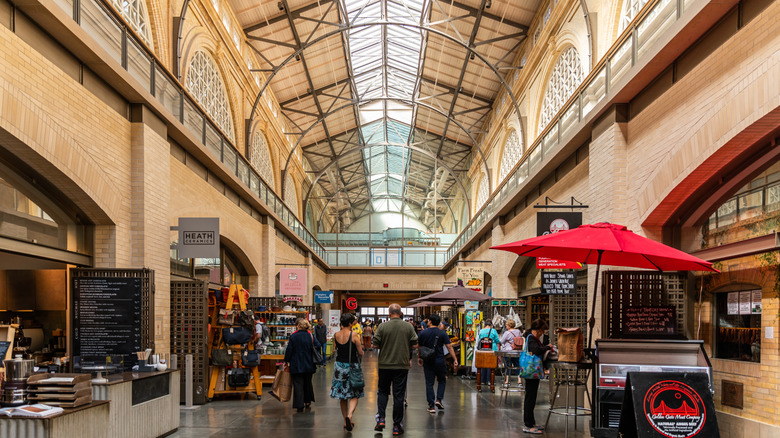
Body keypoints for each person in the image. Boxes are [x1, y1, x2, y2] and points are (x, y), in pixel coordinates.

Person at [372, 304, 418, 435]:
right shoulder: (408, 326)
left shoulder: (382, 326)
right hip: (401, 365)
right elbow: (415, 345)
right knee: (399, 395)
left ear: (389, 313)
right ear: (401, 312)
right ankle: (397, 426)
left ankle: (381, 418)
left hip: (385, 365)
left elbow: (375, 344)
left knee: (382, 392)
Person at [330, 313, 364, 431]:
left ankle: (345, 421)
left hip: (339, 367)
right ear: (349, 323)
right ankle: (349, 416)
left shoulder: (336, 334)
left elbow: (335, 350)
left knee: (342, 395)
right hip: (351, 366)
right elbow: (360, 352)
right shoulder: (354, 335)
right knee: (355, 393)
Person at [417, 314, 458, 413]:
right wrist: (455, 359)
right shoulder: (442, 333)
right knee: (442, 380)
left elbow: (419, 347)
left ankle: (431, 406)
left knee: (429, 383)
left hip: (428, 361)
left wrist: (420, 357)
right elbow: (449, 347)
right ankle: (439, 400)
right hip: (440, 360)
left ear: (430, 321)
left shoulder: (423, 333)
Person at [522, 319, 553, 434]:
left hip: (533, 372)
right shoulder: (531, 337)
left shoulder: (533, 338)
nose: (542, 333)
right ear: (538, 329)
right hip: (531, 372)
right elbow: (535, 350)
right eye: (542, 330)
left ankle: (531, 422)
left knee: (532, 397)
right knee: (529, 398)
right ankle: (527, 425)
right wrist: (547, 347)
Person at [284, 318, 320, 412]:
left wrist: (286, 361)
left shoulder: (293, 336)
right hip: (309, 363)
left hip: (296, 363)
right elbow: (318, 345)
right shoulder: (310, 336)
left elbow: (289, 350)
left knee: (298, 384)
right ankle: (307, 401)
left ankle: (299, 405)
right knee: (307, 382)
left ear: (298, 326)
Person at [476, 320, 500, 391]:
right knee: (491, 365)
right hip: (492, 349)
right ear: (491, 325)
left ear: (485, 325)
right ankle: (490, 381)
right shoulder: (493, 331)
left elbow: (480, 339)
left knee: (483, 364)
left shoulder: (481, 331)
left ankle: (483, 380)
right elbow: (497, 340)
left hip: (483, 350)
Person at [499, 319, 523, 386]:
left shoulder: (507, 333)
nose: (506, 326)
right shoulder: (518, 332)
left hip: (508, 351)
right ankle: (519, 380)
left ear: (509, 325)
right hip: (517, 351)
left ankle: (507, 380)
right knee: (517, 365)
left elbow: (502, 341)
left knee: (508, 365)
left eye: (506, 324)